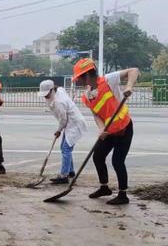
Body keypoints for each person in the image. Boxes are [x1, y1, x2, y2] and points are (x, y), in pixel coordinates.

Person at [72, 58, 139, 205]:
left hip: (123, 129)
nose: (78, 81)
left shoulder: (108, 80)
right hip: (108, 131)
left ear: (87, 75)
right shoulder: (86, 96)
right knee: (98, 157)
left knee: (117, 161)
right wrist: (101, 128)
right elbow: (96, 114)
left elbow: (133, 70)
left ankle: (123, 194)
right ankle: (104, 188)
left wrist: (128, 86)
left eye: (79, 78)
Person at [38, 79, 87, 184]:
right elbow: (61, 89)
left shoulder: (59, 102)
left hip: (74, 124)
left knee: (66, 148)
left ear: (52, 90)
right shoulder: (58, 91)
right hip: (70, 124)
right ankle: (71, 171)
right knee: (65, 148)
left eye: (47, 94)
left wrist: (58, 130)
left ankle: (64, 176)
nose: (45, 96)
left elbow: (63, 119)